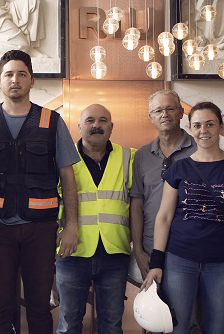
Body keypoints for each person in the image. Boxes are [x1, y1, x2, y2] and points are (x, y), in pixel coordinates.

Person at [0, 50, 78, 334]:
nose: (15, 80)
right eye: (9, 74)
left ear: (32, 80)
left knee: (38, 305)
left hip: (41, 229)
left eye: (22, 74)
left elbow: (67, 175)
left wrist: (71, 225)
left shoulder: (51, 122)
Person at [141, 102, 224, 334]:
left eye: (210, 124)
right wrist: (157, 263)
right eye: (197, 125)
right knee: (176, 327)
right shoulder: (179, 168)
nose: (203, 130)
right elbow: (164, 217)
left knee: (219, 328)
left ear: (221, 126)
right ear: (190, 128)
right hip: (180, 259)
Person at [55, 104, 135, 334]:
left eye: (102, 120)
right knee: (69, 324)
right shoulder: (62, 159)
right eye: (90, 120)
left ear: (111, 127)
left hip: (115, 253)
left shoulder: (129, 157)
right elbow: (50, 201)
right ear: (79, 126)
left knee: (111, 325)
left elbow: (140, 204)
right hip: (72, 253)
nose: (96, 125)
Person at [130, 90, 196, 277]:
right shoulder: (142, 155)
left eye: (170, 109)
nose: (164, 115)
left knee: (188, 307)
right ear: (151, 117)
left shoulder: (199, 150)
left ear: (181, 112)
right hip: (150, 250)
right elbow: (137, 203)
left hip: (189, 249)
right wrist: (138, 250)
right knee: (155, 304)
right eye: (158, 111)